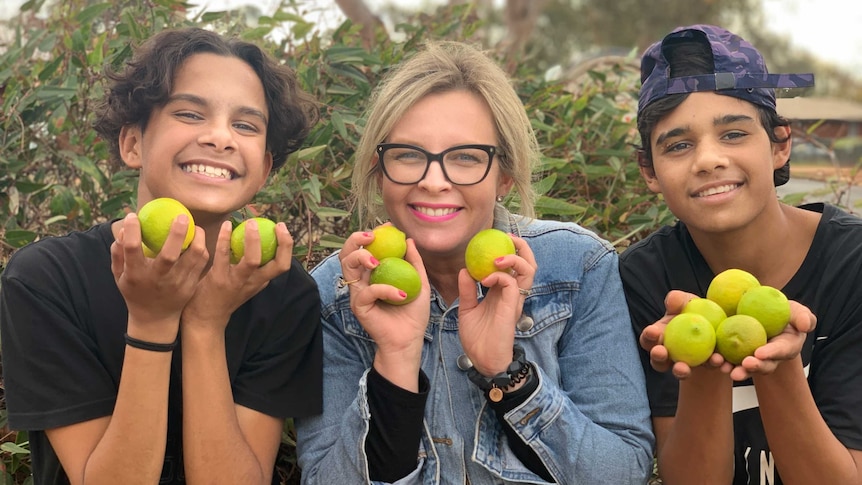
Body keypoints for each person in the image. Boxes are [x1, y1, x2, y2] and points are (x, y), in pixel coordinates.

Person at [294, 40, 654, 484]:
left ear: (503, 175)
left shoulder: (577, 267)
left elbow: (623, 473)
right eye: (408, 155)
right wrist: (396, 359)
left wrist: (507, 373)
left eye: (465, 157)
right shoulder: (334, 293)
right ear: (378, 169)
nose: (434, 181)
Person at [0, 27, 323, 484]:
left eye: (246, 125)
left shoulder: (284, 292)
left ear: (265, 167)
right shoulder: (48, 280)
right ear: (133, 144)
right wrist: (152, 322)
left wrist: (206, 324)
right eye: (190, 114)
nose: (220, 137)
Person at [619, 24, 862, 484]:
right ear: (649, 170)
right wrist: (704, 370)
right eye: (679, 145)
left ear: (780, 144)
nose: (708, 159)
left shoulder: (852, 264)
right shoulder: (646, 279)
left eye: (732, 134)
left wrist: (781, 364)